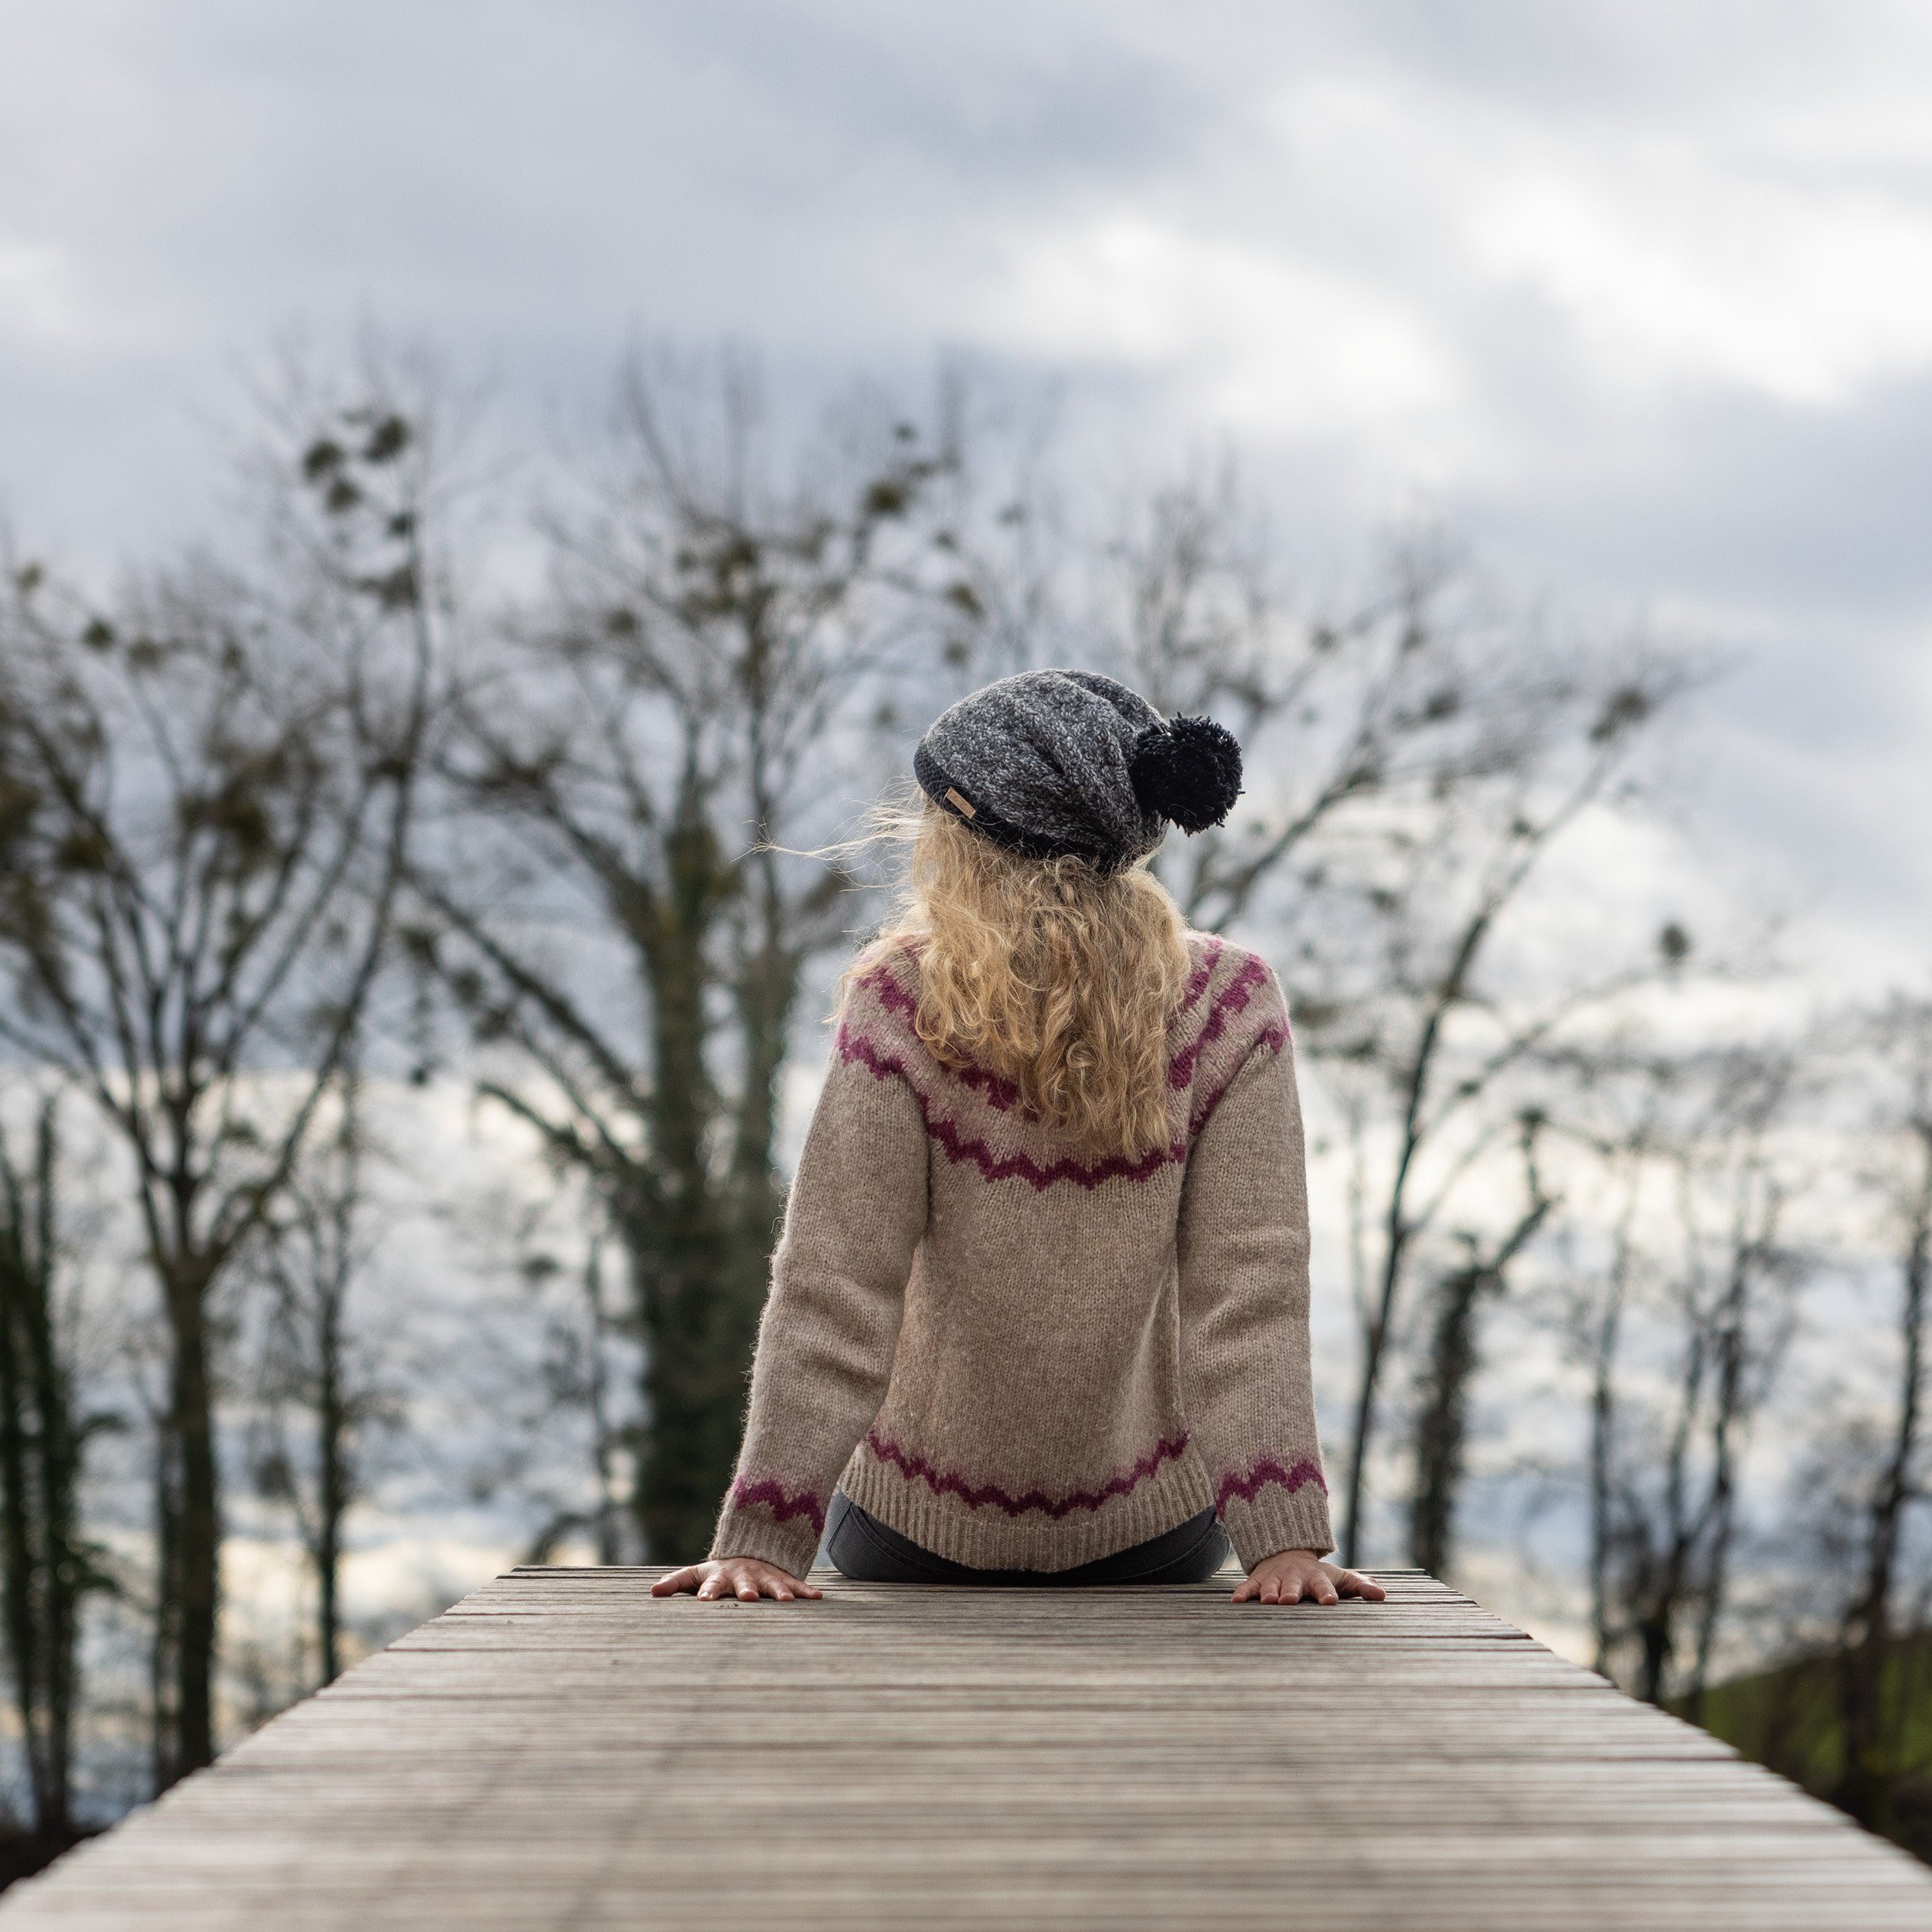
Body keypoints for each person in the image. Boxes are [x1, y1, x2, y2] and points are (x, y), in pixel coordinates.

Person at [653, 668, 1384, 1609]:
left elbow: (835, 1281)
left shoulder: (899, 997)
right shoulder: (1230, 1004)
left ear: (976, 841)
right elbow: (1250, 1292)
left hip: (907, 1537)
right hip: (1160, 1538)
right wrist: (1285, 1542)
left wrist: (764, 1537)